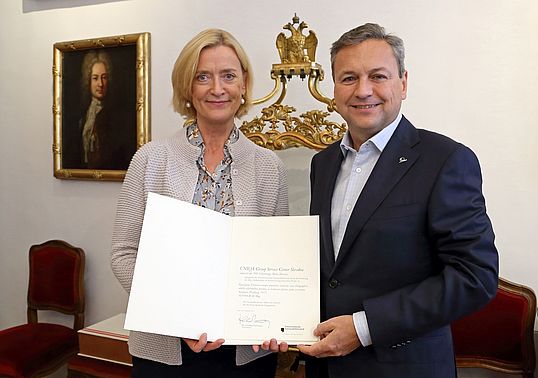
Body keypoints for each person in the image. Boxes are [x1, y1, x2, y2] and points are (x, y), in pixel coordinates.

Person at [297, 23, 499, 378]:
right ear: (333, 89)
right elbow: (331, 271)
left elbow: (475, 277)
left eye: (378, 76)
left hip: (404, 367)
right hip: (324, 365)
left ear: (403, 83)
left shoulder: (445, 160)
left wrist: (364, 328)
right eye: (348, 78)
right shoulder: (323, 163)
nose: (363, 91)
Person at [111, 28, 288, 377]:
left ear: (244, 85)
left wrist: (279, 317)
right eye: (203, 76)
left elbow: (275, 264)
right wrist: (175, 317)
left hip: (245, 353)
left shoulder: (270, 168)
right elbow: (123, 253)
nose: (217, 88)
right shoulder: (150, 159)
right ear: (187, 87)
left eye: (228, 76)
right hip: (163, 349)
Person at [69, 50, 135, 170]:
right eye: (95, 78)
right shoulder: (83, 116)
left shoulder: (117, 116)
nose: (100, 84)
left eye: (104, 78)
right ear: (88, 81)